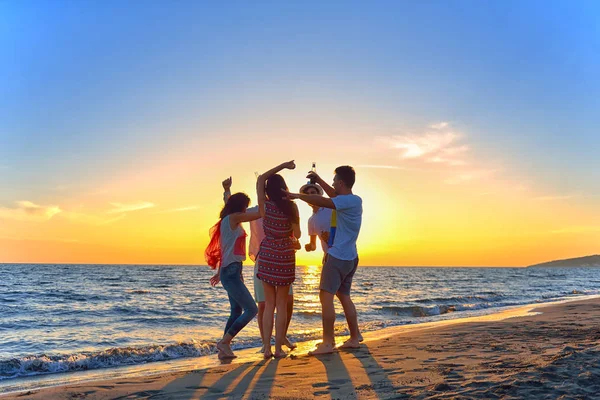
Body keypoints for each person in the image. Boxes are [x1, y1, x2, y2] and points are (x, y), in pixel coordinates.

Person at [284, 166, 362, 355]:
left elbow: (325, 199)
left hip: (337, 256)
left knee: (325, 297)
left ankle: (328, 342)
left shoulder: (343, 202)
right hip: (351, 256)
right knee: (344, 296)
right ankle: (354, 336)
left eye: (335, 180)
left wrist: (296, 195)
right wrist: (318, 179)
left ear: (342, 182)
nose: (333, 183)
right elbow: (333, 194)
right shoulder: (354, 200)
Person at [221, 177, 296, 351]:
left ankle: (278, 338)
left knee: (240, 310)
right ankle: (264, 344)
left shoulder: (282, 209)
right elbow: (233, 210)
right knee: (260, 306)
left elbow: (232, 209)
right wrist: (227, 193)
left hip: (240, 267)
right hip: (261, 260)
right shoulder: (259, 210)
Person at [205, 191, 260, 359]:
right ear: (240, 206)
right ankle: (224, 343)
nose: (246, 209)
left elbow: (226, 250)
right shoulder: (234, 218)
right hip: (231, 271)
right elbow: (258, 214)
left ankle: (224, 348)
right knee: (252, 309)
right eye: (245, 205)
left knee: (236, 311)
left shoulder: (228, 220)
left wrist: (226, 190)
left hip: (231, 270)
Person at [256, 160, 301, 358]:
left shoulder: (265, 205)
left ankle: (266, 348)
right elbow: (298, 235)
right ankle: (278, 349)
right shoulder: (292, 207)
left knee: (269, 305)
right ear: (284, 188)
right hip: (285, 254)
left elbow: (260, 179)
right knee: (282, 305)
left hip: (267, 254)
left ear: (268, 190)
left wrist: (283, 165)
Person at [299, 182, 332, 263]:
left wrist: (331, 236)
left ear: (319, 195)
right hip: (327, 258)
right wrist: (309, 246)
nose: (310, 196)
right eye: (307, 194)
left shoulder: (331, 209)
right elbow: (313, 245)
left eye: (313, 193)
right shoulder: (311, 220)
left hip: (342, 255)